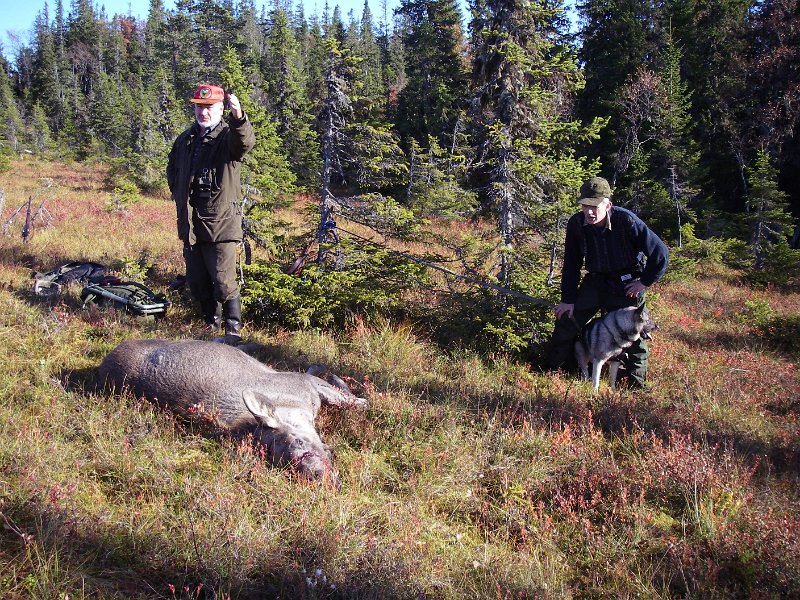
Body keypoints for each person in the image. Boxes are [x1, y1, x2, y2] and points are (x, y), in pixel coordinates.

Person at [549, 176, 669, 388]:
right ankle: (556, 371)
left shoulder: (627, 221)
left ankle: (635, 384)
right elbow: (571, 263)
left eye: (595, 206)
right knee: (567, 320)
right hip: (595, 282)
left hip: (626, 285)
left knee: (636, 331)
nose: (590, 212)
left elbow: (660, 254)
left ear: (608, 204)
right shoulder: (576, 224)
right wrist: (568, 299)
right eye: (586, 206)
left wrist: (644, 282)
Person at [167, 83, 256, 339]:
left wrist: (238, 117)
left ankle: (233, 328)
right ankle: (211, 323)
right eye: (199, 107)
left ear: (220, 109)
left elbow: (244, 142)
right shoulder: (185, 140)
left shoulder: (227, 137)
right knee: (197, 281)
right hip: (192, 223)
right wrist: (178, 194)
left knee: (223, 281)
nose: (203, 112)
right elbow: (172, 169)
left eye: (209, 108)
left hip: (221, 223)